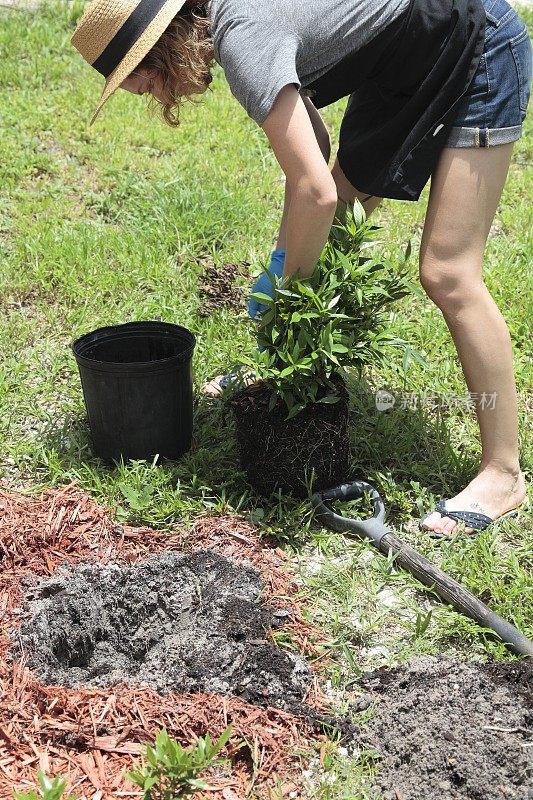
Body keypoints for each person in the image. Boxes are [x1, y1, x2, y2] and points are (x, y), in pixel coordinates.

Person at [71, 0, 531, 536]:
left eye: (146, 86)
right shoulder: (235, 23)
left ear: (158, 53)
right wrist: (287, 257)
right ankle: (281, 364)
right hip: (407, 56)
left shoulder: (242, 40)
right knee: (329, 223)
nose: (158, 98)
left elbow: (314, 193)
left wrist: (288, 290)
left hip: (478, 44)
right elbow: (316, 150)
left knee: (447, 272)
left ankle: (504, 473)